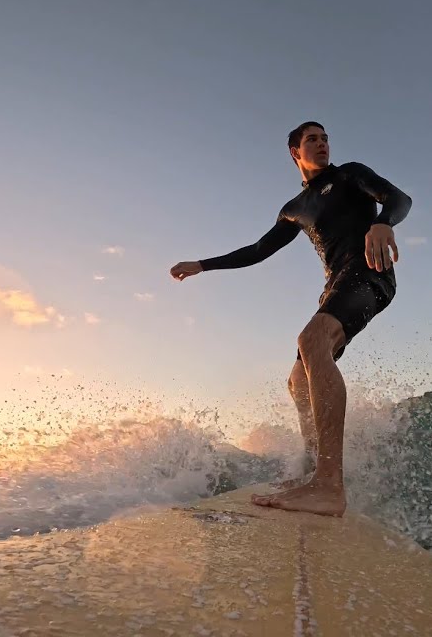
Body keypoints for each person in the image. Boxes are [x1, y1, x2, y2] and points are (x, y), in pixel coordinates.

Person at [169, 121, 412, 517]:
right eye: (311, 140)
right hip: (336, 286)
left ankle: (329, 485)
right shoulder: (294, 209)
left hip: (369, 273)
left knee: (312, 340)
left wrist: (383, 222)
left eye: (325, 138)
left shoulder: (350, 174)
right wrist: (203, 265)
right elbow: (259, 249)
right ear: (295, 153)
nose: (321, 144)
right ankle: (310, 469)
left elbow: (399, 198)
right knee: (297, 380)